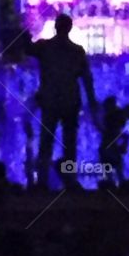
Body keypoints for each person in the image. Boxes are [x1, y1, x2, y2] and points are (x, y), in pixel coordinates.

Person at [26, 14, 96, 188]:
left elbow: (25, 48)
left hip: (50, 101)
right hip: (71, 101)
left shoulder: (45, 47)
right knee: (70, 142)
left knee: (46, 141)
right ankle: (69, 178)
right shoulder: (77, 51)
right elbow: (87, 79)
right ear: (70, 28)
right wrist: (92, 101)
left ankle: (42, 180)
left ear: (55, 27)